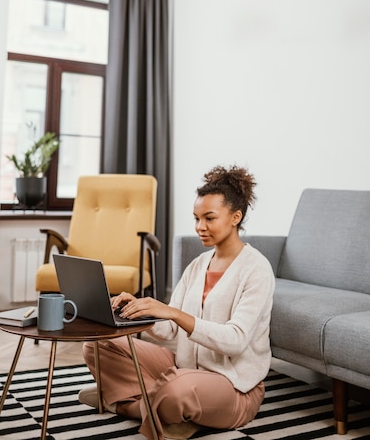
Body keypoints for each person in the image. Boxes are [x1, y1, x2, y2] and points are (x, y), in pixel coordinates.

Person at [80, 165, 275, 440]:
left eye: (209, 218)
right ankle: (160, 407)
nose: (200, 227)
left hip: (234, 387)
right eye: (196, 218)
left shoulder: (256, 269)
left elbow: (236, 340)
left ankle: (127, 404)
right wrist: (139, 310)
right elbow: (169, 331)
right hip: (185, 370)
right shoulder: (197, 265)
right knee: (98, 344)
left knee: (177, 390)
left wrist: (171, 312)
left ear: (235, 217)